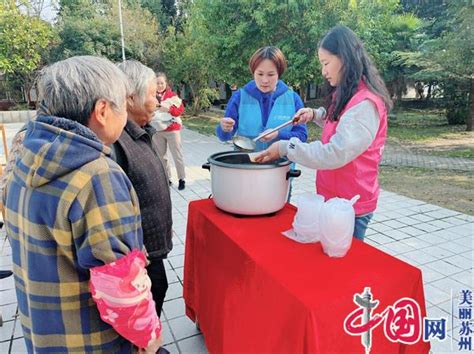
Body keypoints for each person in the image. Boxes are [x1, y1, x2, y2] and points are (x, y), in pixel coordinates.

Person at [2, 56, 162, 353]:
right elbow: (120, 284)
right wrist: (149, 337)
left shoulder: (25, 157)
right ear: (102, 110)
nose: (125, 115)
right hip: (92, 340)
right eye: (123, 107)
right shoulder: (96, 175)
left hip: (45, 334)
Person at [256, 25, 393, 241]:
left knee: (342, 267)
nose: (323, 71)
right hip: (334, 198)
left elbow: (334, 153)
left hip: (351, 206)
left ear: (345, 58)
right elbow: (339, 121)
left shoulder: (365, 104)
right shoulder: (348, 93)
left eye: (326, 63)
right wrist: (314, 114)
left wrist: (286, 147)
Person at [113, 61, 173, 318]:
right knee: (152, 294)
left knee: (158, 290)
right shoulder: (117, 142)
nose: (157, 101)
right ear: (129, 99)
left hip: (150, 246)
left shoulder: (139, 131)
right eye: (151, 95)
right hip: (138, 255)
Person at [216, 46, 307, 151]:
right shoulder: (240, 97)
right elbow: (223, 137)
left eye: (271, 74)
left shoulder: (293, 99)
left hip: (281, 165)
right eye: (260, 74)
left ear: (279, 73)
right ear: (253, 72)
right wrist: (224, 129)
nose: (265, 80)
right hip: (246, 164)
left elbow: (302, 136)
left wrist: (278, 134)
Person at [150, 72, 186, 190]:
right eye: (157, 83)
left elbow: (179, 111)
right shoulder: (151, 96)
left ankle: (182, 179)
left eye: (162, 83)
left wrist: (168, 109)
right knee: (161, 156)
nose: (159, 85)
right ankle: (167, 178)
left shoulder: (172, 96)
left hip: (172, 130)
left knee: (177, 155)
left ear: (166, 83)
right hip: (157, 130)